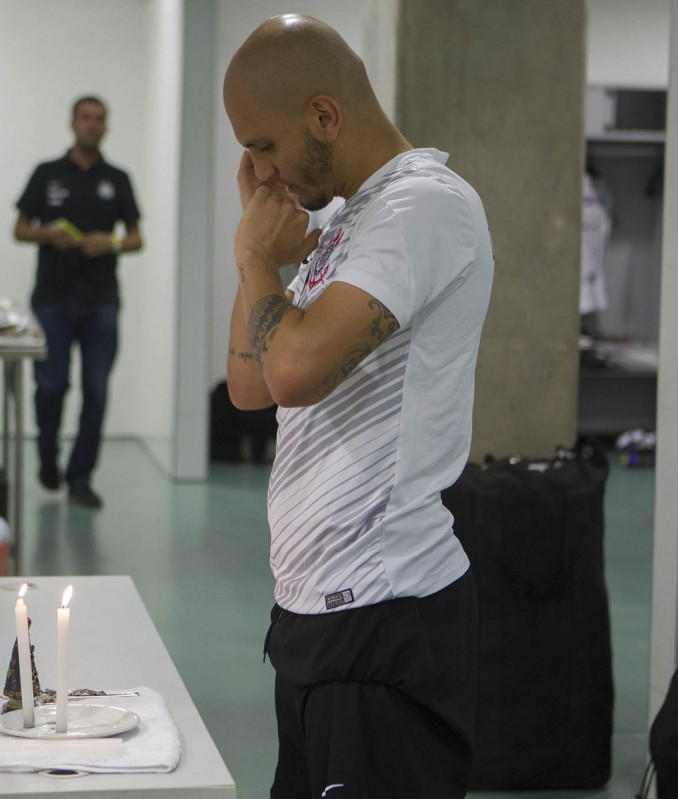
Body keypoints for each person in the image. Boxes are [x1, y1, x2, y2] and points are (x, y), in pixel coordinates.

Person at [223, 14, 494, 798]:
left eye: (263, 146)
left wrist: (252, 255)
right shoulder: (345, 220)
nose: (260, 170)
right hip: (311, 614)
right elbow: (249, 383)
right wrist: (260, 253)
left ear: (324, 116)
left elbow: (297, 369)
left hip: (386, 617)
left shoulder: (426, 207)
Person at [14, 95, 142, 508]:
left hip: (101, 301)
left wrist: (113, 242)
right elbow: (19, 228)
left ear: (106, 127)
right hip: (52, 299)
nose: (92, 125)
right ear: (72, 124)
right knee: (51, 386)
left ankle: (80, 478)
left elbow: (137, 238)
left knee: (96, 391)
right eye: (86, 118)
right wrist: (47, 234)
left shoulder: (118, 179)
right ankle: (48, 455)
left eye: (100, 119)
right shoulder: (47, 173)